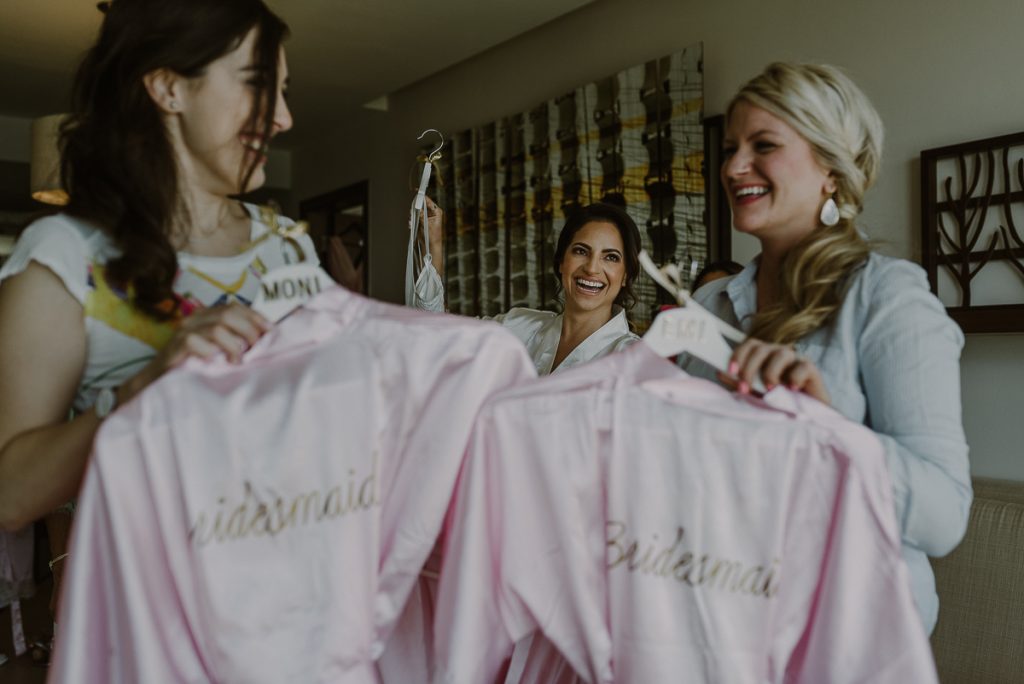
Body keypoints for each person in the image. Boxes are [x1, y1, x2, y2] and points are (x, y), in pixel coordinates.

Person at [0, 0, 309, 642]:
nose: (282, 118)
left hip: (289, 611)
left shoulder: (289, 247)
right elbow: (11, 495)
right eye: (258, 84)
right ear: (168, 87)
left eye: (284, 91)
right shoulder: (66, 255)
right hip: (146, 623)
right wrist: (143, 388)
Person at [687, 62, 970, 634]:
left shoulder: (886, 297)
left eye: (763, 145)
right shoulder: (708, 307)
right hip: (715, 627)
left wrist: (826, 427)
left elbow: (944, 517)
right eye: (731, 148)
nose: (734, 167)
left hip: (845, 637)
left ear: (831, 170)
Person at [417, 200, 642, 375]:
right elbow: (439, 340)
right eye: (581, 251)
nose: (592, 268)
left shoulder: (636, 360)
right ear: (562, 262)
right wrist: (433, 244)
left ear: (626, 275)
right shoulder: (519, 326)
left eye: (611, 257)